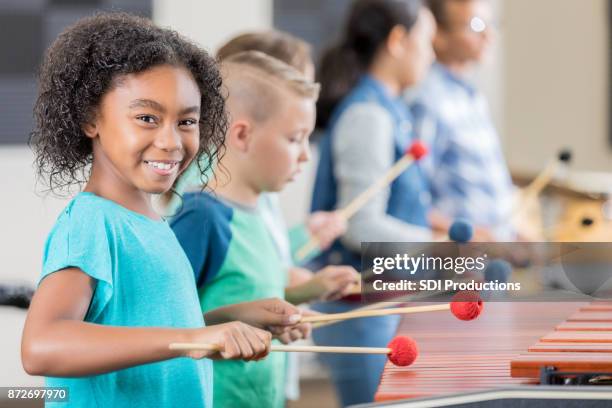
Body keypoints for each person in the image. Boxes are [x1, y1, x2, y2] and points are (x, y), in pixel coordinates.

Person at [21, 13, 304, 408]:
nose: (172, 141)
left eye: (187, 121)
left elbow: (152, 335)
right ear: (90, 119)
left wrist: (227, 322)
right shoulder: (91, 222)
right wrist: (193, 339)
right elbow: (41, 345)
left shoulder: (155, 224)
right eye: (147, 118)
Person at [171, 51, 357, 408]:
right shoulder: (202, 217)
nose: (305, 155)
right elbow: (165, 326)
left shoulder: (259, 217)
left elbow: (252, 295)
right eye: (294, 138)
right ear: (242, 135)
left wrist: (308, 294)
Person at [309, 0, 436, 405]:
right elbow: (363, 225)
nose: (431, 54)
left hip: (384, 305)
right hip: (362, 313)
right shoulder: (368, 113)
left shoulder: (388, 107)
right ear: (398, 41)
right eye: (426, 42)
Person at [410, 0, 514, 240]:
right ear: (438, 35)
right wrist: (464, 234)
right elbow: (411, 198)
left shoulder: (471, 97)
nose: (489, 34)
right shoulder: (428, 99)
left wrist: (513, 233)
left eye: (490, 24)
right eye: (475, 25)